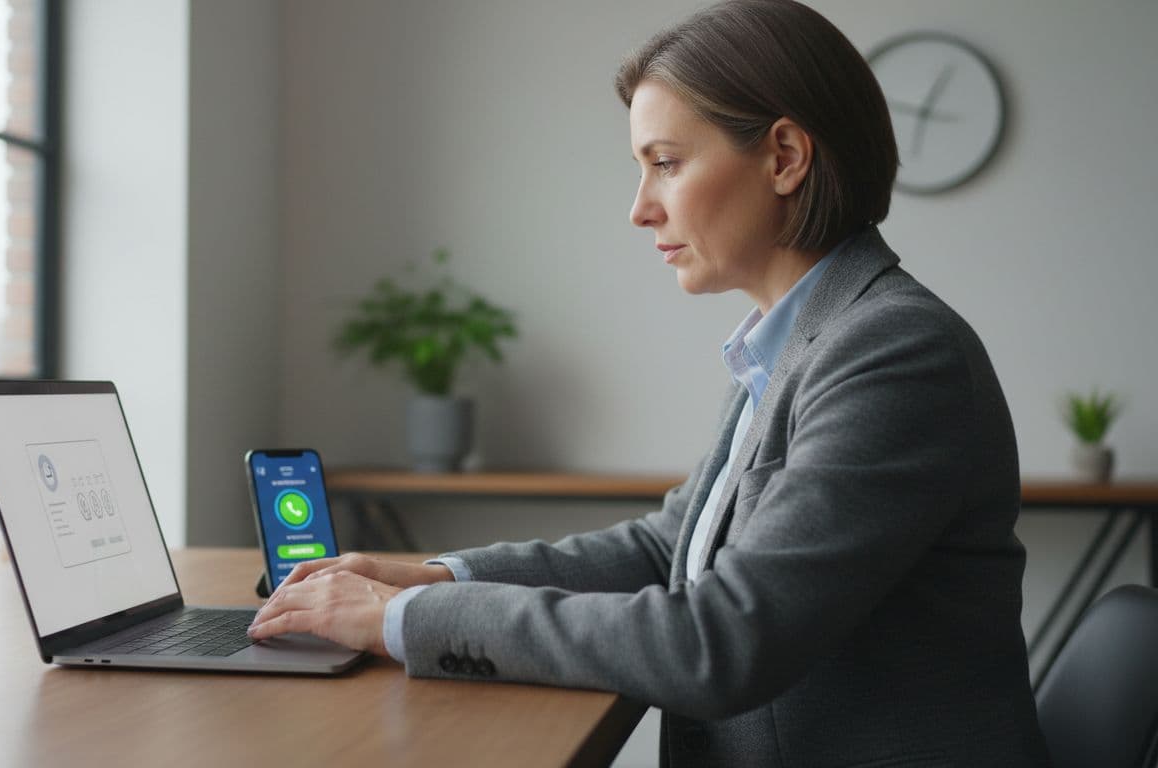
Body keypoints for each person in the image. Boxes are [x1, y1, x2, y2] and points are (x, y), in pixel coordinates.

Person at [249, 1, 1050, 764]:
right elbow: (670, 546)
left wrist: (404, 620)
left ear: (784, 157)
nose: (640, 209)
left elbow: (720, 642)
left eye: (665, 164)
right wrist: (438, 576)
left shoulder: (893, 352)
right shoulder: (802, 339)